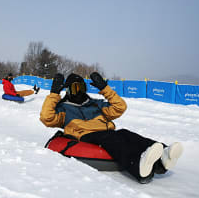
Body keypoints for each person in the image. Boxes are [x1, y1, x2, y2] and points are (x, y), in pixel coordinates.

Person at [40, 72, 183, 184]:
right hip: (86, 134)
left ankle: (163, 157)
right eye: (75, 88)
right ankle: (138, 167)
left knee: (125, 134)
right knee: (111, 138)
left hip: (107, 131)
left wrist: (104, 88)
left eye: (82, 87)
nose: (79, 92)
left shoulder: (95, 104)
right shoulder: (64, 109)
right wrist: (54, 94)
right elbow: (46, 118)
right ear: (68, 90)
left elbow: (120, 107)